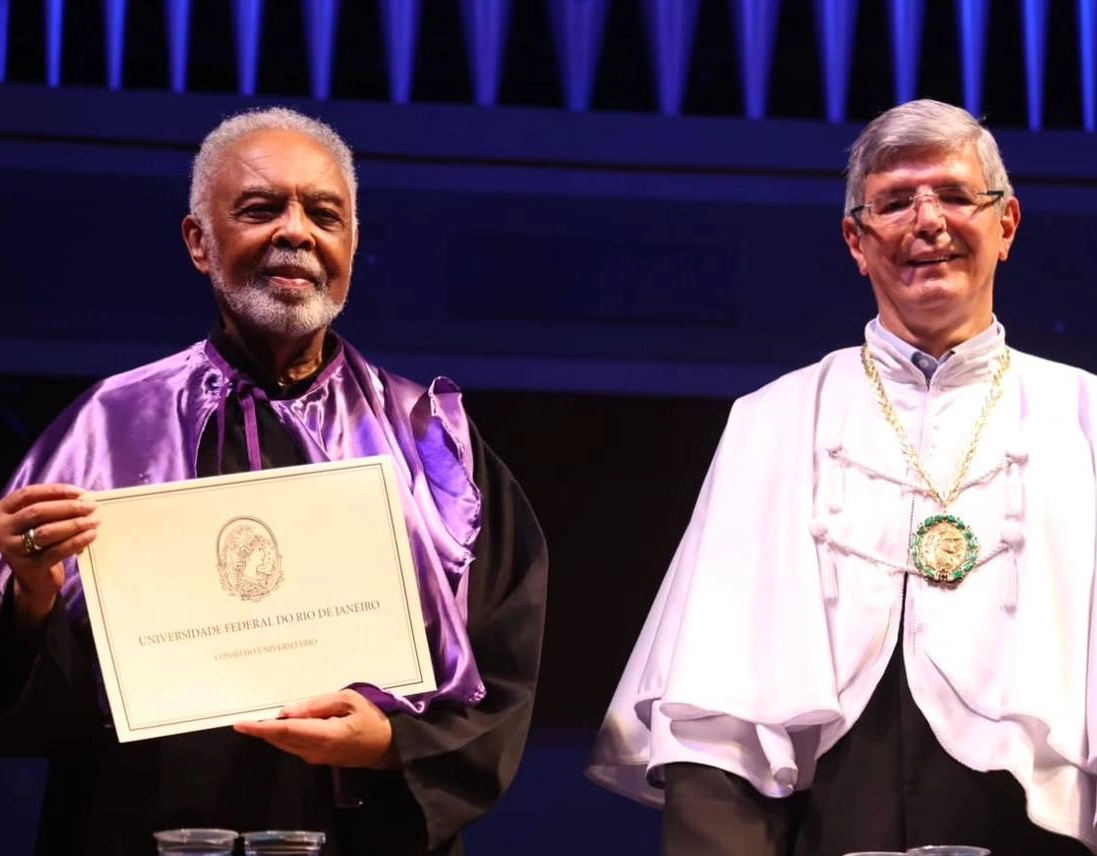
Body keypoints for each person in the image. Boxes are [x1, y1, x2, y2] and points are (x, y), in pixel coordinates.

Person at [0, 107, 548, 855]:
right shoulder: (105, 426)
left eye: (324, 214)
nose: (296, 231)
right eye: (261, 209)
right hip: (145, 826)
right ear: (198, 241)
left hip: (364, 834)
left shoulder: (430, 439)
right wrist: (27, 591)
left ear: (351, 243)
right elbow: (42, 698)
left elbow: (503, 655)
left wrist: (391, 741)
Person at [586, 98, 1097, 855]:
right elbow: (717, 734)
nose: (927, 222)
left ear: (1006, 225)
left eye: (955, 196)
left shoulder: (1084, 414)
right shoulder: (771, 421)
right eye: (893, 203)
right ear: (855, 241)